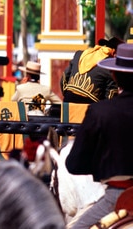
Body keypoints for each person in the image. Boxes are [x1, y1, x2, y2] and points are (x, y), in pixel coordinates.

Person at [65, 43, 133, 229]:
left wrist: (103, 163)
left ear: (114, 75)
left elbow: (74, 164)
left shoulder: (100, 112)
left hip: (118, 196)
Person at [62, 37, 122, 103]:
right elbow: (110, 98)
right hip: (89, 106)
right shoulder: (109, 67)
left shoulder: (79, 54)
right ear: (114, 53)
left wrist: (67, 94)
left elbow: (64, 78)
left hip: (67, 102)